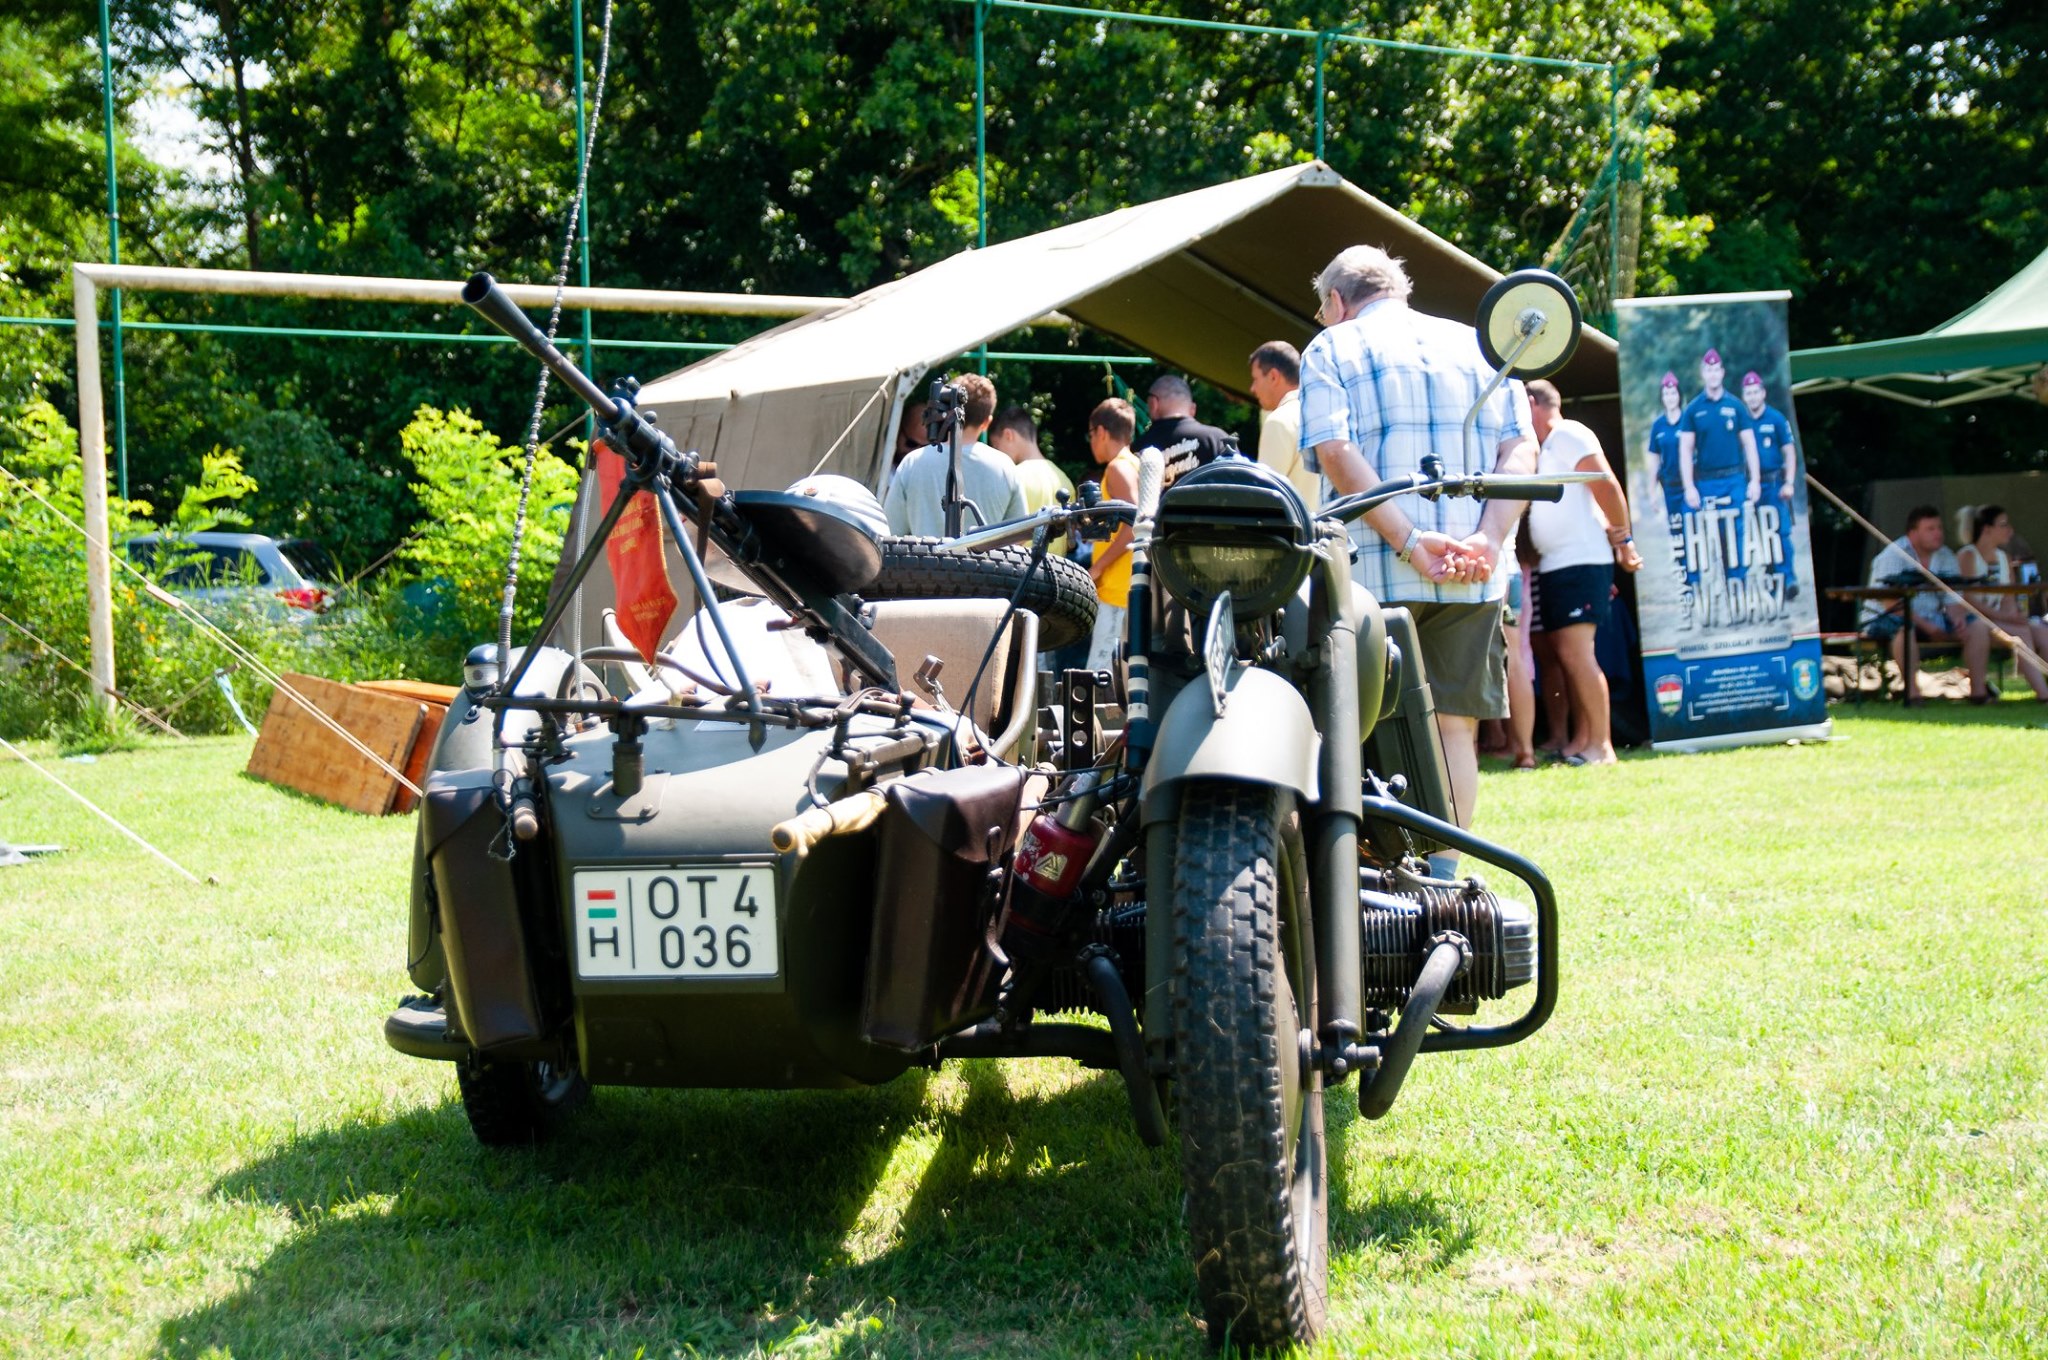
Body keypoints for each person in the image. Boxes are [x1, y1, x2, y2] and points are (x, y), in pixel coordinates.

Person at [1299, 243, 1537, 862]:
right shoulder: (1481, 345)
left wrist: (1408, 540)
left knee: (1361, 724)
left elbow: (1336, 453)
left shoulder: (1331, 347)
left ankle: (1376, 883)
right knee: (1455, 728)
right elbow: (1521, 451)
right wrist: (1488, 537)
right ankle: (1444, 879)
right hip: (1473, 571)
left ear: (1335, 300)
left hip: (1371, 575)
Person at [1524, 380, 1644, 766]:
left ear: (1531, 403)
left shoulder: (1569, 433)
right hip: (1559, 564)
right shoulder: (1548, 446)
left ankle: (1602, 747)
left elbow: (1604, 484)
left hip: (1580, 562)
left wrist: (1623, 539)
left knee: (1577, 653)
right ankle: (1581, 740)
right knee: (1566, 654)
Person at [1862, 504, 1992, 703]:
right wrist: (1928, 627)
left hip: (1932, 617)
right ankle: (1913, 693)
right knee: (1904, 628)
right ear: (1913, 533)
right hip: (1885, 618)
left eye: (1939, 528)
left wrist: (1958, 620)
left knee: (1977, 626)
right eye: (1930, 529)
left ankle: (1978, 692)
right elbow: (1892, 605)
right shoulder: (1893, 555)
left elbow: (1952, 599)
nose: (1938, 533)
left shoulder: (1946, 556)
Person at [883, 373, 1028, 538]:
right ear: (986, 423)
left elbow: (891, 530)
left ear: (945, 410)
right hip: (985, 556)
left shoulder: (912, 463)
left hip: (925, 555)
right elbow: (1019, 535)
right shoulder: (1005, 467)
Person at [1676, 348, 1760, 583]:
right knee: (1700, 532)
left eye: (1716, 369)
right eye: (1708, 370)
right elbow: (1685, 450)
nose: (1713, 374)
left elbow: (1750, 445)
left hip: (1734, 479)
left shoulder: (1736, 406)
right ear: (1703, 373)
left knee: (1735, 533)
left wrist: (1754, 480)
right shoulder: (1693, 409)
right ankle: (1697, 586)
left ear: (1722, 372)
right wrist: (1689, 487)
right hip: (1706, 482)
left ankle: (1737, 582)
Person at [1955, 504, 2048, 702]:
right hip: (1972, 621)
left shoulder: (2004, 558)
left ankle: (2043, 688)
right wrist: (2008, 617)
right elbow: (1969, 600)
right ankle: (2043, 695)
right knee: (2021, 633)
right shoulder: (1968, 555)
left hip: (1999, 621)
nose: (2010, 530)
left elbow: (2008, 598)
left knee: (2041, 630)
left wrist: (2015, 616)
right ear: (1987, 529)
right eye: (2003, 525)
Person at [1083, 398, 1141, 671]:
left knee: (1100, 678)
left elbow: (1135, 522)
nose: (1092, 442)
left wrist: (1097, 568)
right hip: (1129, 589)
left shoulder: (1117, 468)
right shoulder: (1136, 464)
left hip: (1118, 591)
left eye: (1091, 434)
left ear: (1102, 432)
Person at [1740, 370, 1801, 600]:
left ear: (1763, 393)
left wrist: (1789, 483)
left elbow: (1789, 453)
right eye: (1748, 393)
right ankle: (1773, 581)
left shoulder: (1776, 419)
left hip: (1775, 484)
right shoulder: (1741, 422)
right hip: (1750, 487)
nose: (1753, 397)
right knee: (1759, 536)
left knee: (1781, 533)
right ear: (1744, 396)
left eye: (1756, 392)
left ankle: (1789, 579)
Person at [1640, 371, 1696, 618]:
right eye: (1666, 393)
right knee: (1679, 537)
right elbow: (1654, 461)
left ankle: (1700, 580)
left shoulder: (1689, 420)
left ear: (1679, 395)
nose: (1670, 397)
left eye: (1673, 393)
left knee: (1695, 532)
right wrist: (1652, 492)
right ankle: (1688, 586)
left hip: (1692, 487)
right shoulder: (1659, 426)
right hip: (1670, 488)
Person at [989, 405, 1075, 550]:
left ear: (1008, 435)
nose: (997, 454)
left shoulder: (1013, 477)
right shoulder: (1064, 480)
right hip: (1057, 564)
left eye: (997, 446)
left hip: (1021, 563)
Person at [1247, 341, 1318, 507]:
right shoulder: (1322, 413)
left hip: (1294, 523)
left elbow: (1264, 497)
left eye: (1255, 379)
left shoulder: (1279, 421)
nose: (1252, 388)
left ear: (1273, 376)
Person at [1134, 373, 1235, 473]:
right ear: (1193, 408)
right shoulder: (1216, 438)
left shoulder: (1138, 448)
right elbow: (1238, 477)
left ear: (1153, 403)